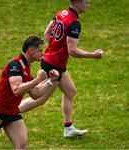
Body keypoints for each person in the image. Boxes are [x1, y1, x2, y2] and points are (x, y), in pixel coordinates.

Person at [19, 0, 103, 138]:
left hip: (53, 61)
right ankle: (7, 116)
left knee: (70, 91)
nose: (89, 4)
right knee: (40, 99)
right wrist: (93, 55)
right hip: (55, 65)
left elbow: (47, 34)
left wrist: (56, 47)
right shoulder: (74, 23)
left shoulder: (61, 13)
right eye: (86, 2)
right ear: (78, 3)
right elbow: (72, 51)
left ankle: (68, 128)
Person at [0, 35, 59, 149]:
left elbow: (35, 94)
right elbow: (17, 90)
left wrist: (50, 82)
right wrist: (38, 79)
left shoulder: (26, 67)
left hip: (12, 112)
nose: (42, 53)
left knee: (22, 147)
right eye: (40, 50)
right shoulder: (15, 65)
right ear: (31, 51)